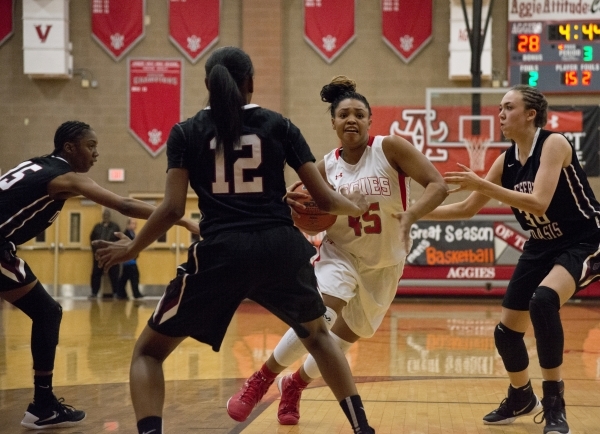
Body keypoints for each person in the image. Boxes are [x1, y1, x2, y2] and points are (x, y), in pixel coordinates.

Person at [93, 46, 378, 434]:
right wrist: (359, 209)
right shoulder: (279, 125)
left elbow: (173, 209)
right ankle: (364, 429)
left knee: (147, 353)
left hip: (221, 252)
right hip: (280, 247)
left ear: (209, 84)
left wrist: (131, 247)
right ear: (250, 83)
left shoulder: (185, 132)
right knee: (319, 338)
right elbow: (326, 200)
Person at [229, 75, 449, 426]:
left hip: (385, 263)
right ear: (332, 122)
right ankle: (261, 379)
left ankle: (295, 386)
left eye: (359, 114)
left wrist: (411, 214)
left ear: (369, 120)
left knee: (343, 340)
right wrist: (289, 203)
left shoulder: (390, 148)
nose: (352, 119)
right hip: (340, 254)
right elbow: (295, 205)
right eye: (344, 113)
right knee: (322, 316)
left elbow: (438, 185)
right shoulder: (323, 168)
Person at [423, 84, 600, 434]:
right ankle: (521, 395)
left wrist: (483, 184)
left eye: (508, 107)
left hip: (583, 240)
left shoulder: (554, 144)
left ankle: (555, 405)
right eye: (500, 108)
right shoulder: (506, 160)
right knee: (506, 333)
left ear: (530, 113)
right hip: (540, 244)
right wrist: (412, 214)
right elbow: (465, 208)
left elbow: (538, 202)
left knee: (544, 302)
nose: (500, 114)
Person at [0, 120, 198, 430]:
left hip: (4, 248)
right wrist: (183, 219)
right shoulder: (63, 177)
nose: (96, 154)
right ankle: (42, 405)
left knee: (47, 312)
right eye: (90, 146)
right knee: (48, 312)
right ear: (69, 147)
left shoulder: (33, 165)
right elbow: (125, 204)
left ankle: (43, 404)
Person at [90, 209, 121, 298]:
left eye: (107, 215)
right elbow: (91, 239)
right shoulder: (97, 227)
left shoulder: (115, 227)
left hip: (111, 255)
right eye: (104, 215)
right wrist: (95, 251)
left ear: (109, 216)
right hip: (99, 255)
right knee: (96, 274)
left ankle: (116, 292)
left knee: (114, 274)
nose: (106, 217)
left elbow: (119, 240)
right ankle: (94, 293)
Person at [115, 218, 144, 299]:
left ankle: (121, 293)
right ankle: (135, 293)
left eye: (135, 223)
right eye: (133, 223)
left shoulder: (132, 233)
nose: (135, 225)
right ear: (128, 224)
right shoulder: (126, 234)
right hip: (129, 261)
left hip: (131, 260)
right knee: (134, 277)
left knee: (124, 277)